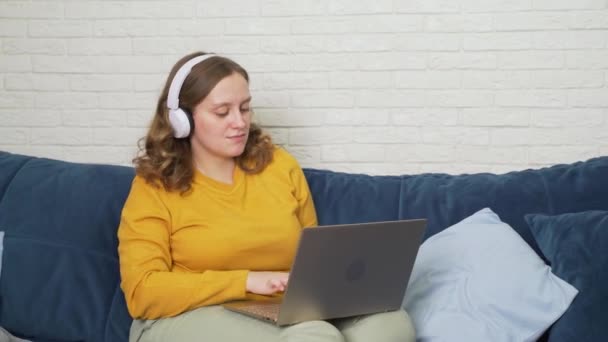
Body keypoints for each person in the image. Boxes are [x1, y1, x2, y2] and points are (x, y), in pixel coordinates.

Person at [117, 51, 416, 342]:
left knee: (390, 324)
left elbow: (314, 254)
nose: (239, 122)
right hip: (185, 314)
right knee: (314, 337)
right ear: (182, 119)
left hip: (280, 307)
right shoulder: (154, 186)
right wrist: (246, 281)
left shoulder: (279, 165)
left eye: (245, 108)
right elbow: (143, 292)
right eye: (222, 112)